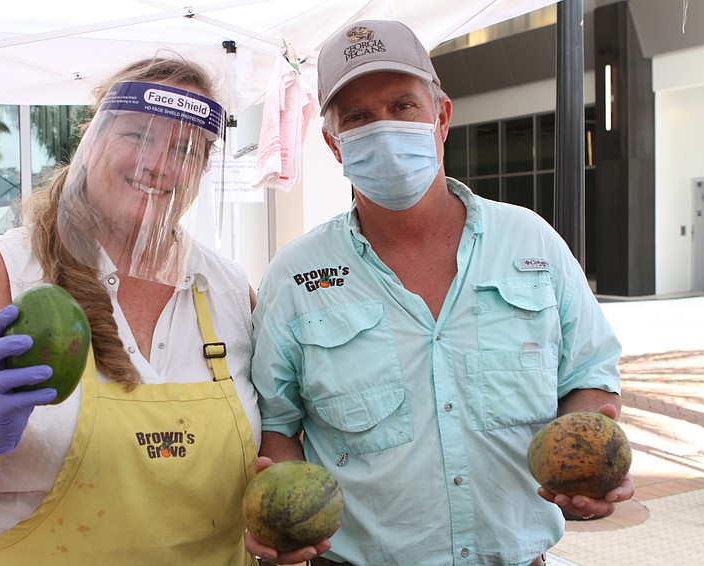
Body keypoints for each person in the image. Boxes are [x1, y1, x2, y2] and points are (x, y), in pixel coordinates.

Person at [247, 19, 635, 566]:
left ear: (442, 116)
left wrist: (587, 460)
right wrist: (283, 517)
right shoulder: (294, 276)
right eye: (358, 118)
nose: (382, 127)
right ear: (334, 145)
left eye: (402, 105)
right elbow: (277, 424)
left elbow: (590, 378)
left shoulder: (532, 242)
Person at [0, 54, 262, 565]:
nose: (156, 163)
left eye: (184, 148)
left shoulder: (229, 289)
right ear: (94, 137)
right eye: (138, 135)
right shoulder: (3, 271)